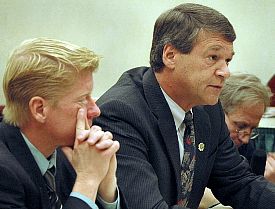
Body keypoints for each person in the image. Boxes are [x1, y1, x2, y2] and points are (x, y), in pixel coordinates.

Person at [94, 3, 275, 209]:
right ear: (170, 55)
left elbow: (238, 182)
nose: (225, 72)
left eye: (227, 61)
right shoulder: (121, 113)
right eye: (213, 58)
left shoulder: (208, 108)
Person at [0, 38, 127, 209]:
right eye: (82, 99)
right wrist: (88, 179)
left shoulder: (63, 150)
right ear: (39, 109)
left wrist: (106, 186)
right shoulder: (4, 173)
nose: (96, 110)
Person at [199, 73, 275, 209]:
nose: (245, 139)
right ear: (217, 113)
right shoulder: (193, 140)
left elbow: (245, 189)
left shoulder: (246, 147)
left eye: (252, 129)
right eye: (240, 126)